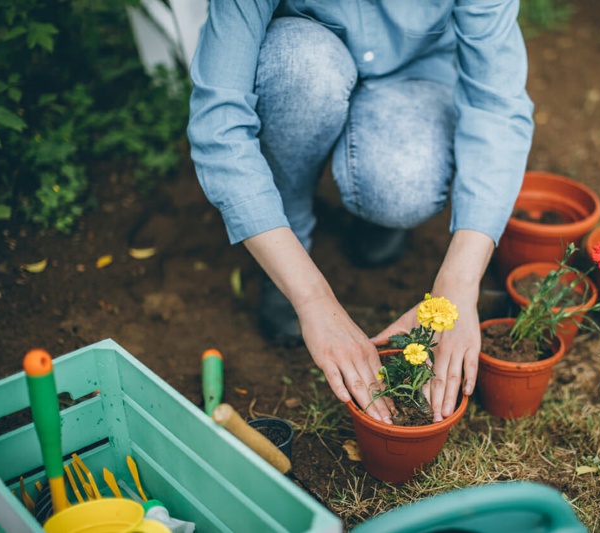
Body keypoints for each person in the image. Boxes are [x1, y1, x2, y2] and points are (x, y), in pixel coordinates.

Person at [187, 1, 534, 425]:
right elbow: (218, 126)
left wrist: (461, 282)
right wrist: (311, 297)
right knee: (299, 65)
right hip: (311, 54)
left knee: (400, 186)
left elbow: (497, 107)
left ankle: (376, 210)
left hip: (416, 69)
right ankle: (289, 240)